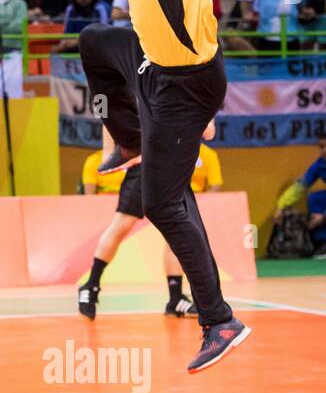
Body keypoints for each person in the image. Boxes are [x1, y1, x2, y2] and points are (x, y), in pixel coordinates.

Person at [79, 0, 294, 373]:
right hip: (154, 66)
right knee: (93, 42)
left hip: (184, 85)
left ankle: (219, 320)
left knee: (162, 203)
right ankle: (128, 141)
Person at [78, 124, 221, 319]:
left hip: (173, 167)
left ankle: (175, 297)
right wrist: (108, 152)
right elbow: (107, 107)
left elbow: (207, 131)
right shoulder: (139, 93)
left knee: (176, 230)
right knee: (122, 224)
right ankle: (91, 285)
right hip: (142, 165)